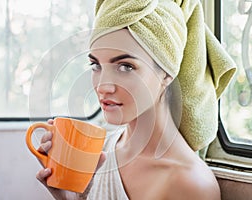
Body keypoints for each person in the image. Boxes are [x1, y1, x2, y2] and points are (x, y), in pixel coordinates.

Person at [35, 0, 236, 199]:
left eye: (126, 67)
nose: (103, 86)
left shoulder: (190, 184)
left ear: (167, 74)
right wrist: (69, 196)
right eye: (96, 65)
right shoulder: (100, 152)